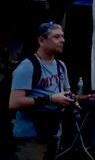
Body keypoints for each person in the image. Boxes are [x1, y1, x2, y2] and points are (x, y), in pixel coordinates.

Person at [9, 23, 74, 160]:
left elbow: (66, 92)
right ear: (41, 41)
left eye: (62, 36)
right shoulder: (28, 66)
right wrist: (50, 99)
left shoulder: (61, 66)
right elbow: (14, 102)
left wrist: (74, 98)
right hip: (30, 136)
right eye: (56, 37)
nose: (62, 40)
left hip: (53, 132)